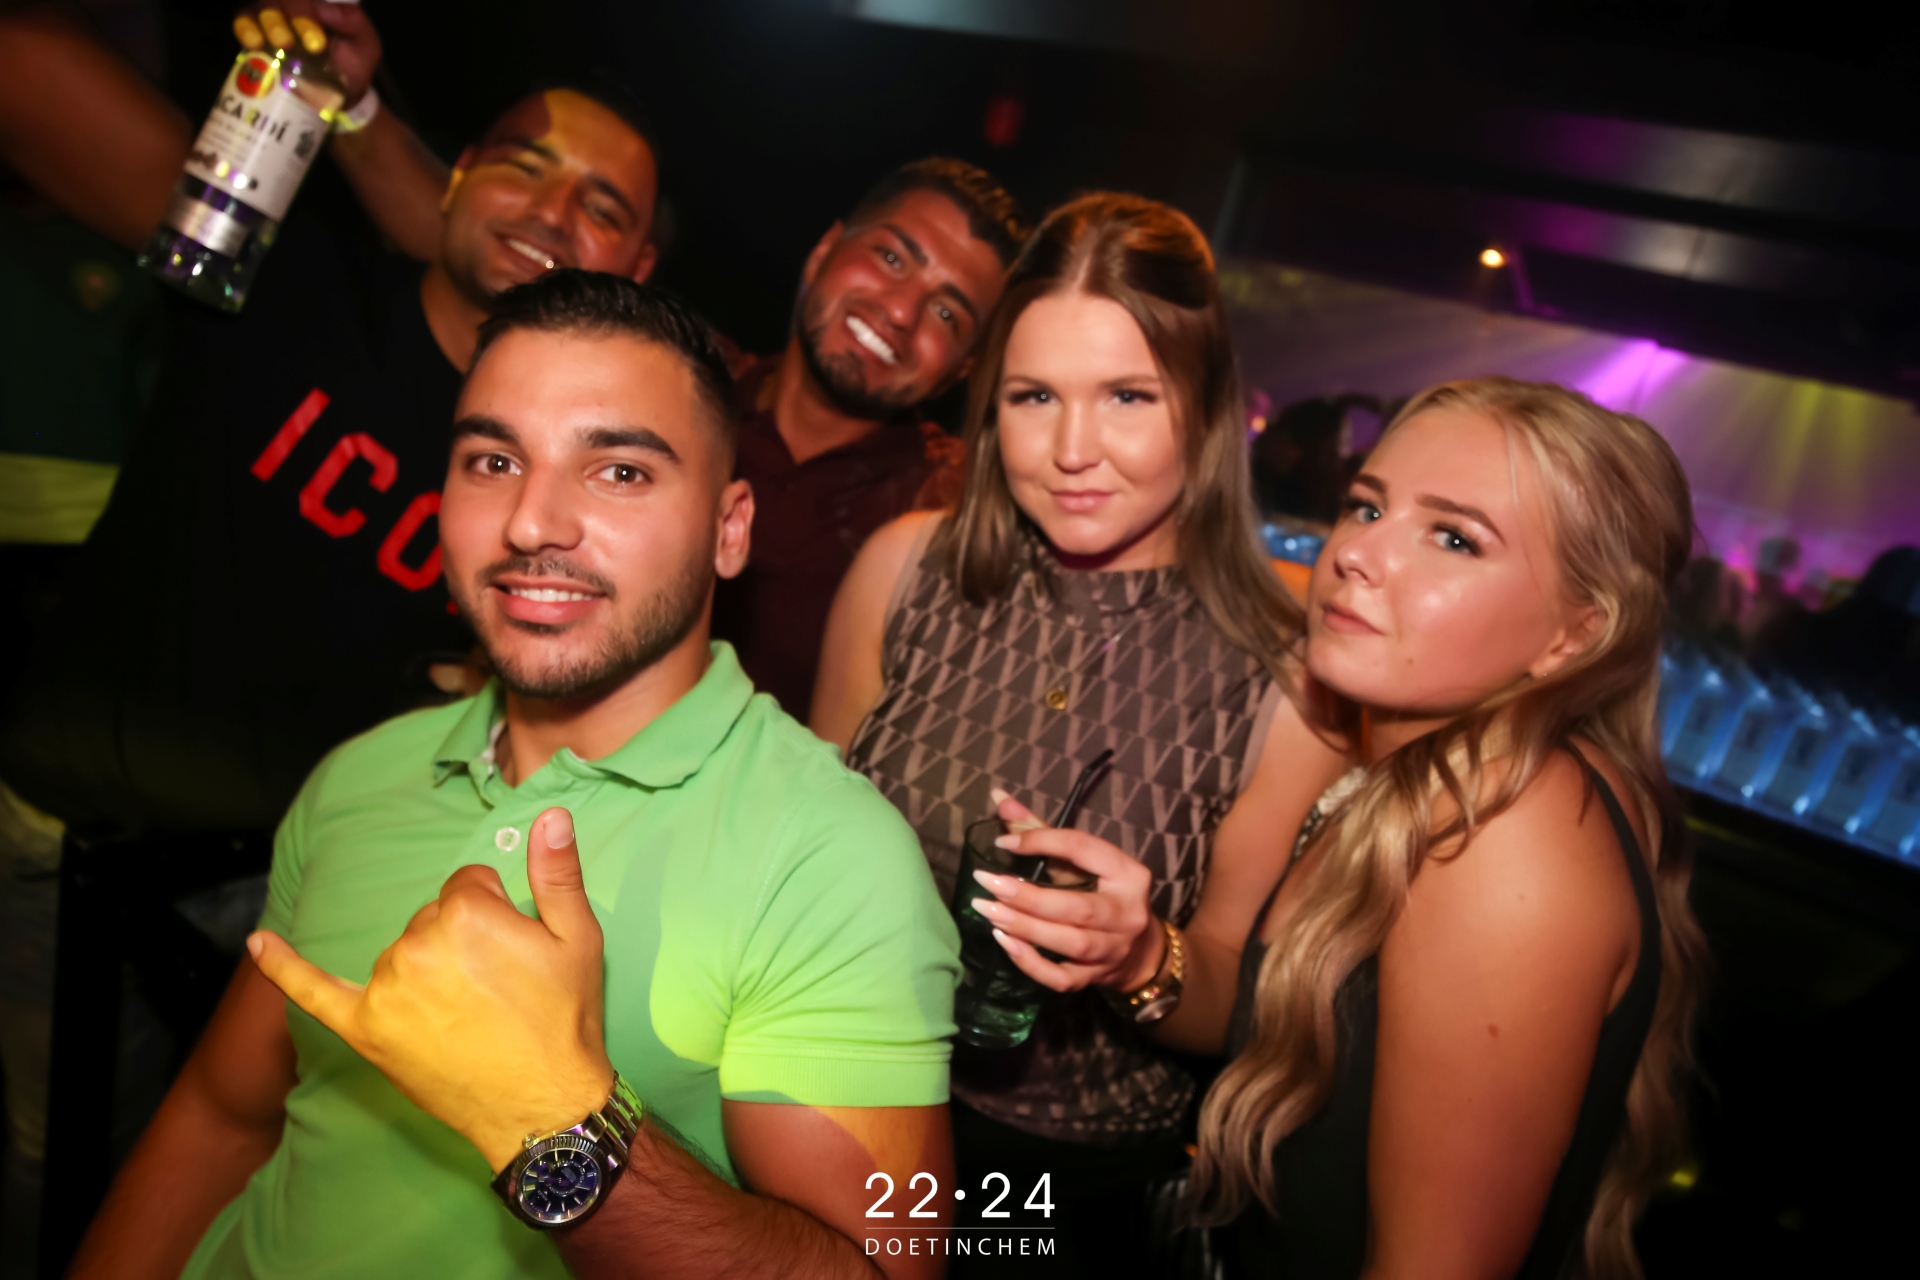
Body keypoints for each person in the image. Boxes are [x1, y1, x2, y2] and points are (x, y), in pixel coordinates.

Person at [68, 272, 959, 1280]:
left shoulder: (830, 857)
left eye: (618, 470)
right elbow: (221, 1114)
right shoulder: (362, 774)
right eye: (494, 460)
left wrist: (553, 1119)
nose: (532, 522)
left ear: (729, 528)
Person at [989, 377, 1709, 1278]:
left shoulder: (1507, 835)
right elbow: (1263, 1026)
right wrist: (1136, 956)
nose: (1358, 554)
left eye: (1453, 538)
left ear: (1574, 634)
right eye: (1366, 506)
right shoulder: (1413, 766)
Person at [812, 192, 1354, 1273]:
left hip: (1060, 1187)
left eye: (1126, 396)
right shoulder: (904, 570)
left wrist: (1140, 955)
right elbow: (803, 848)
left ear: (1205, 407)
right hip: (832, 1098)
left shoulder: (1288, 679)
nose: (1071, 449)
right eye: (1033, 396)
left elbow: (1234, 1005)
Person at [0, 68, 662, 834]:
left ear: (637, 271)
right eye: (522, 166)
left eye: (602, 209)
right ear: (456, 178)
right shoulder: (287, 280)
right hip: (59, 816)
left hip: (306, 881)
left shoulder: (598, 489)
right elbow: (30, 76)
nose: (552, 212)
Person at [712, 157, 1024, 717]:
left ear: (962, 370)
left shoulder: (951, 517)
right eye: (890, 258)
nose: (901, 312)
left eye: (946, 313)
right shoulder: (678, 393)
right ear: (823, 251)